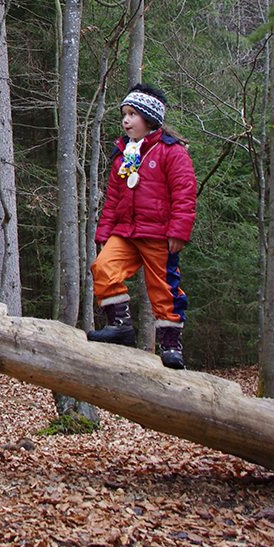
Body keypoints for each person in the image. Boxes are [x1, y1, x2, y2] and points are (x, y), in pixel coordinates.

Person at [86, 83, 196, 369]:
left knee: (163, 288)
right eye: (124, 113)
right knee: (103, 267)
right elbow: (112, 199)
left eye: (132, 114)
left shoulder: (171, 152)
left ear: (149, 118)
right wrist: (104, 232)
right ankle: (120, 328)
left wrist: (178, 232)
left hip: (159, 234)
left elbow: (185, 194)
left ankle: (171, 346)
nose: (125, 120)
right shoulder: (123, 156)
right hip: (126, 232)